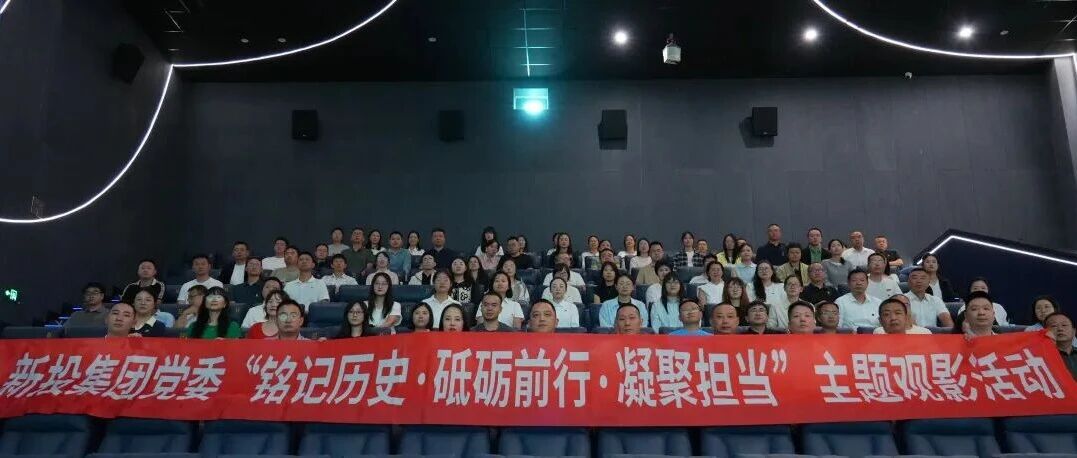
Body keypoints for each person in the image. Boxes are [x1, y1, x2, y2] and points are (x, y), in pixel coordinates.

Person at [1043, 312, 1076, 379]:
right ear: (1045, 332)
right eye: (1054, 326)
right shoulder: (1041, 358)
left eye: (1064, 325)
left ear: (1073, 331)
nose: (1060, 329)